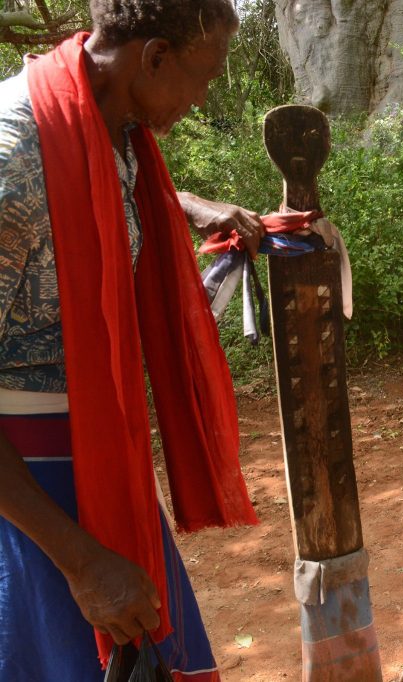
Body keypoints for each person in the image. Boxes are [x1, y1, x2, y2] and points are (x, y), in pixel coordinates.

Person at [0, 1, 266, 678]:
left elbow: (87, 195)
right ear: (153, 57)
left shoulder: (106, 124)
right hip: (30, 502)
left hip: (100, 465)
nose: (203, 99)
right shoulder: (12, 163)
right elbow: (44, 193)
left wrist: (192, 207)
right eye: (202, 78)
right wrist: (82, 563)